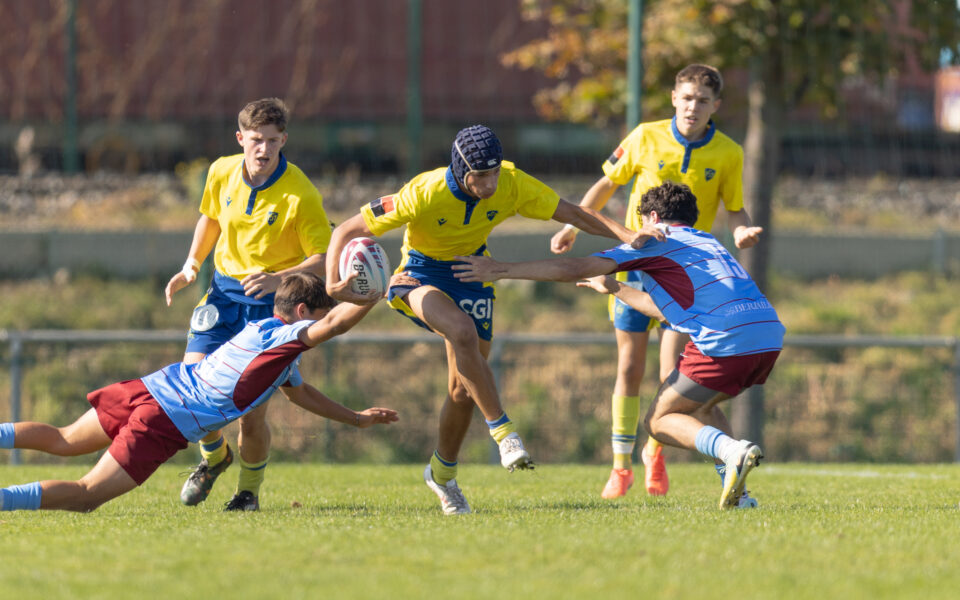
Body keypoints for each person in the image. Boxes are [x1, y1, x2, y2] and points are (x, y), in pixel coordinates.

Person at [324, 124, 643, 515]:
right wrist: (332, 285)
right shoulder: (424, 190)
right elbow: (345, 229)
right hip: (418, 276)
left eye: (494, 173)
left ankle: (441, 475)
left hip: (472, 272)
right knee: (461, 331)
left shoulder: (512, 183)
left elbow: (575, 212)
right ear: (460, 170)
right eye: (480, 176)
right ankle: (505, 433)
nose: (490, 184)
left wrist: (628, 235)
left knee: (463, 391)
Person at [454, 181, 784, 510]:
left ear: (652, 217)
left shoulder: (656, 240)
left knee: (658, 420)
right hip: (767, 335)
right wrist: (614, 287)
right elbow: (667, 309)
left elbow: (575, 268)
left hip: (725, 338)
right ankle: (739, 495)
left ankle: (731, 452)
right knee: (701, 407)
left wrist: (501, 269)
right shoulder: (705, 240)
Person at [0, 272, 402, 513]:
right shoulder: (287, 337)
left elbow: (302, 394)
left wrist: (356, 418)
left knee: (63, 438)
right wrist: (373, 292)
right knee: (86, 495)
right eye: (319, 313)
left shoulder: (261, 334)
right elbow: (334, 326)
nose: (321, 322)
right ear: (301, 314)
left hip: (149, 388)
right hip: (165, 418)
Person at [549, 64, 763, 500]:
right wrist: (573, 226)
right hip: (635, 269)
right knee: (629, 368)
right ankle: (620, 466)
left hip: (685, 279)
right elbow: (607, 184)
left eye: (702, 101)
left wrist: (741, 230)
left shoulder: (728, 152)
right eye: (686, 98)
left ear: (715, 107)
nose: (693, 107)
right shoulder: (644, 137)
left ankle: (656, 449)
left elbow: (735, 207)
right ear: (673, 98)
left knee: (673, 373)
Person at [164, 98, 333, 511]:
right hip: (222, 295)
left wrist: (279, 279)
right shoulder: (221, 171)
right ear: (241, 139)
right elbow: (211, 217)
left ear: (283, 140)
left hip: (269, 308)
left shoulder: (300, 193)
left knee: (251, 413)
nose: (264, 149)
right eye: (256, 139)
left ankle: (248, 494)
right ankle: (214, 457)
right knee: (191, 385)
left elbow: (324, 259)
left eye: (273, 140)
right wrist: (191, 265)